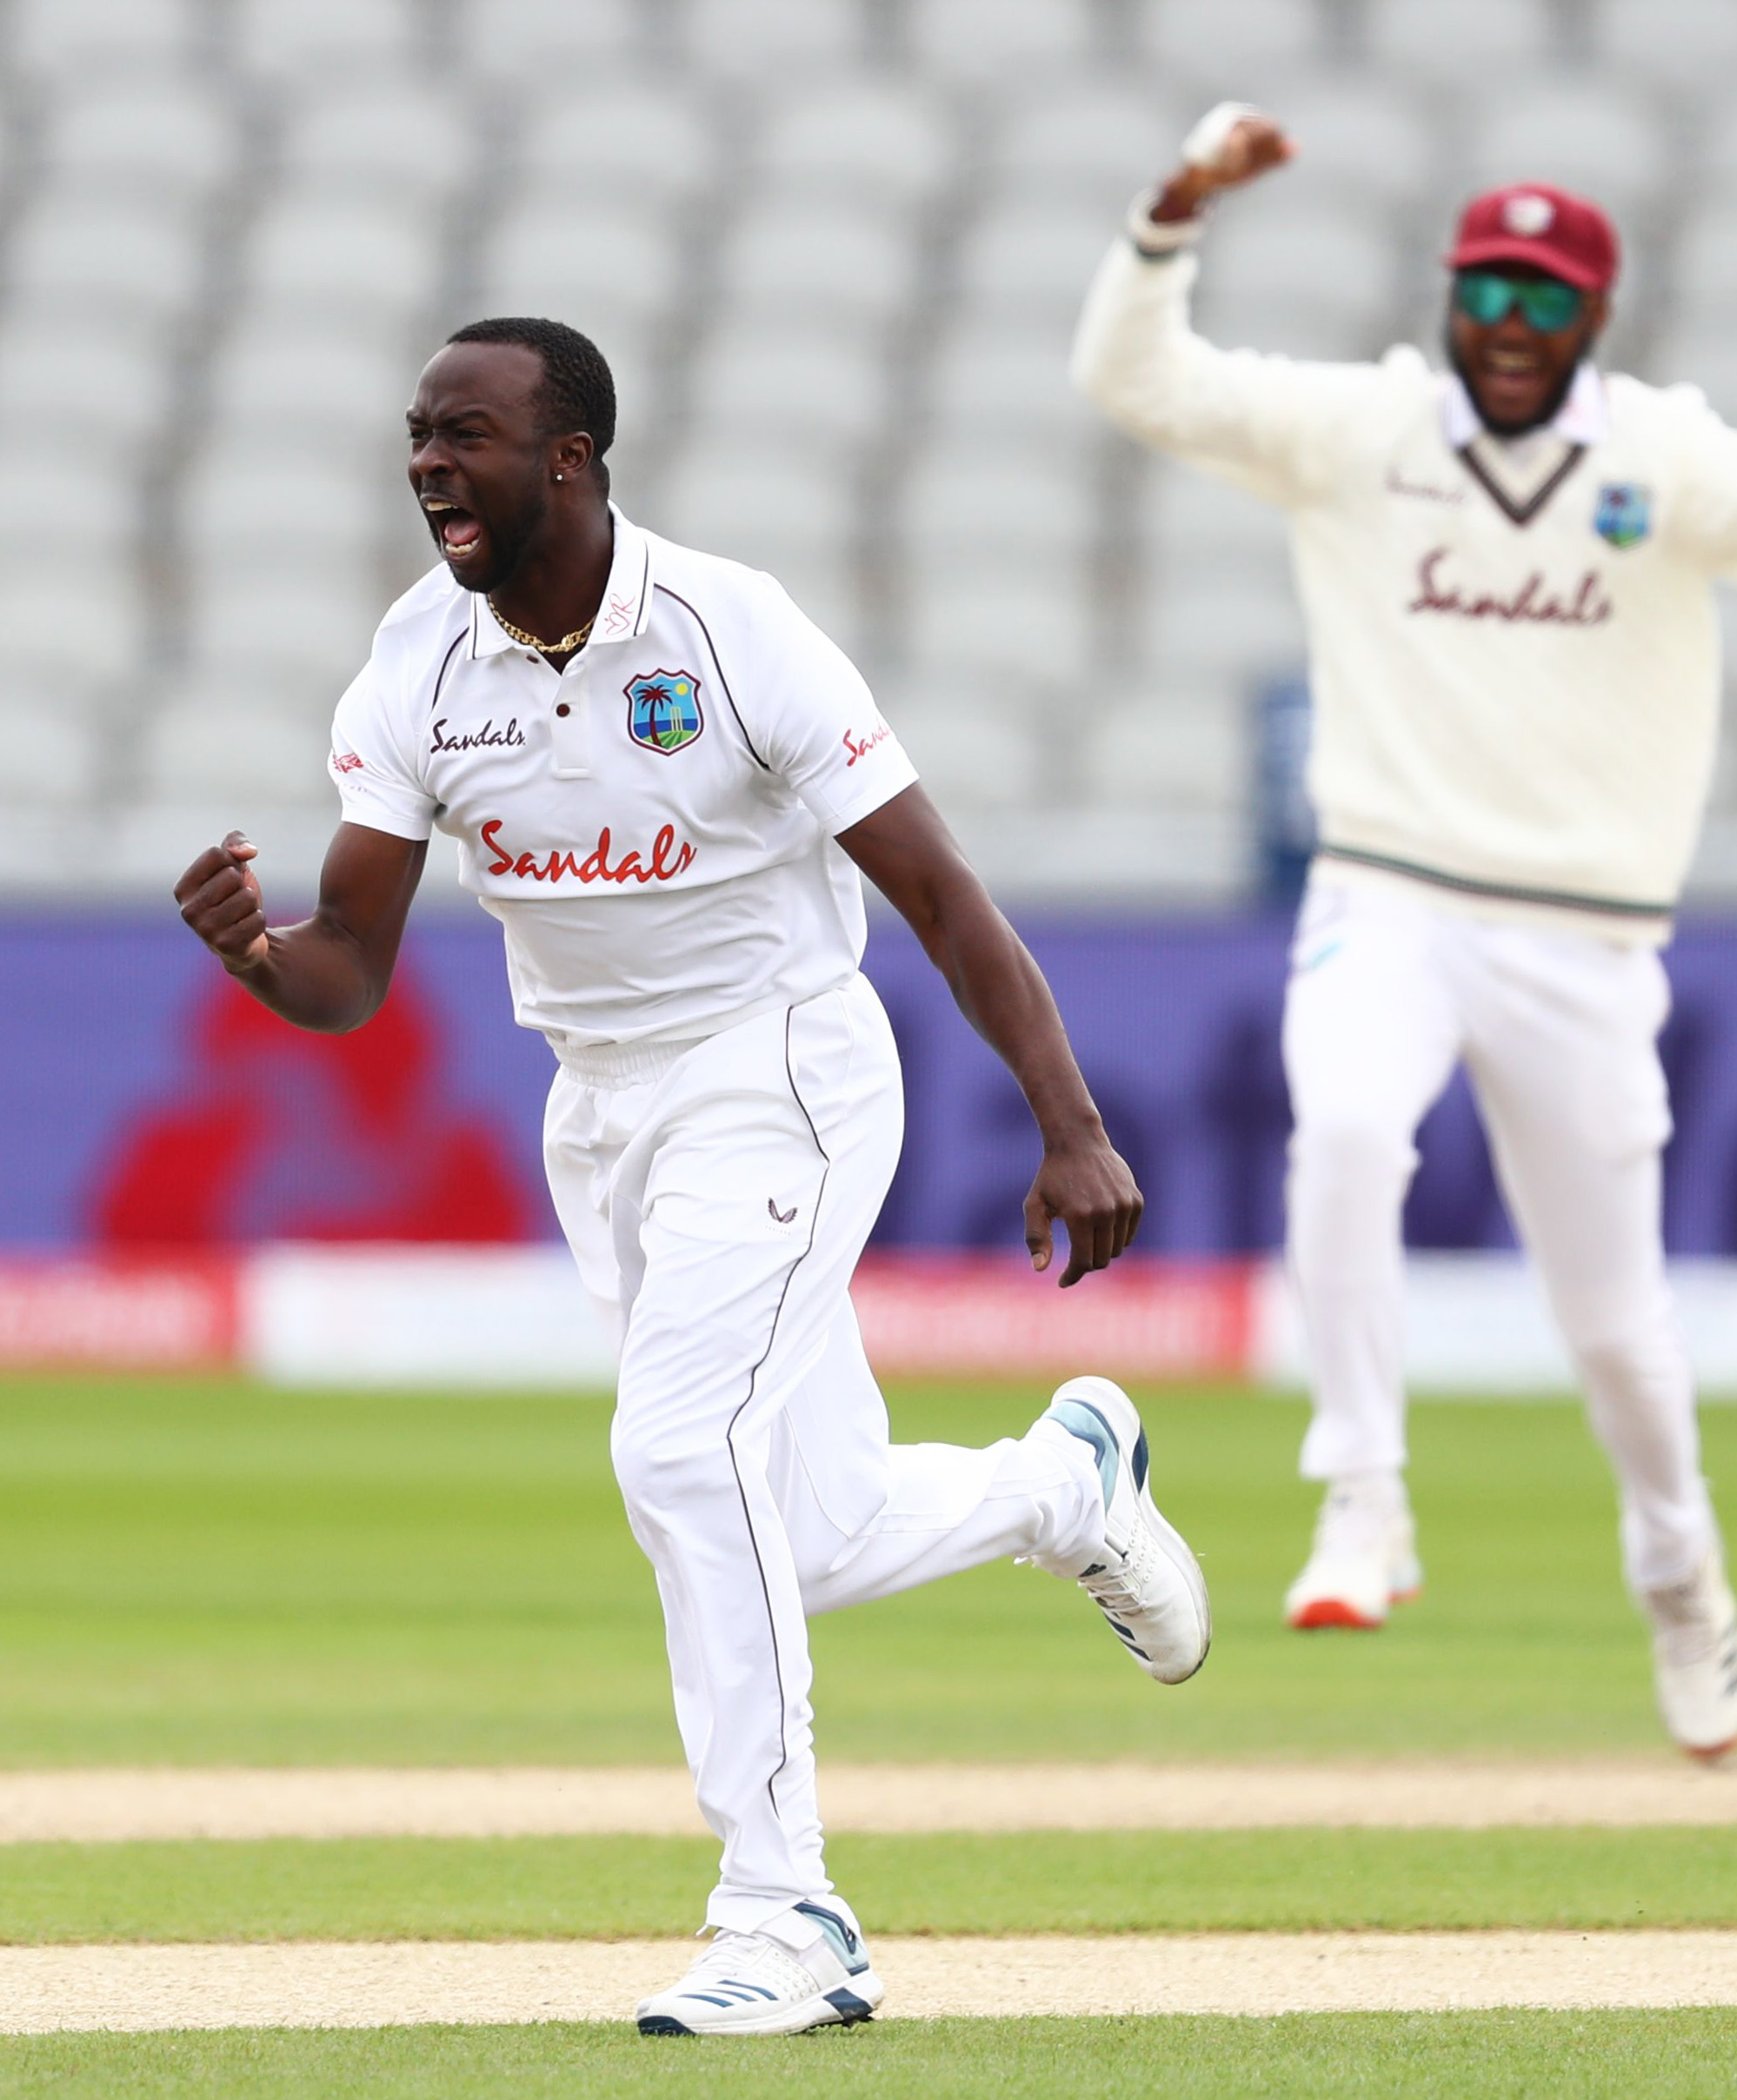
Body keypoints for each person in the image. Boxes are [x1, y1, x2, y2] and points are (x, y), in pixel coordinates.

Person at [174, 316, 1208, 2037]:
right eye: (417, 434)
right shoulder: (416, 665)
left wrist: (1069, 1117)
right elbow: (348, 969)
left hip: (782, 1068)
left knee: (674, 1446)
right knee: (789, 1530)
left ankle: (788, 1914)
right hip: (604, 1110)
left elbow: (943, 898)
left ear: (570, 457)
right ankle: (1062, 1487)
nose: (430, 459)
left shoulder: (734, 634)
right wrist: (254, 957)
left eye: (469, 434)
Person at [1072, 109, 1737, 1760]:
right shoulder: (1366, 429)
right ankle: (1364, 1499)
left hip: (1585, 938)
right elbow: (1142, 380)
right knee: (1339, 1129)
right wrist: (1173, 210)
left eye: (1548, 304)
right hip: (1386, 890)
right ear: (1451, 299)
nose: (1514, 331)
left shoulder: (1659, 461)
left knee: (1616, 1329)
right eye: (1491, 296)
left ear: (1594, 321)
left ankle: (1683, 1576)